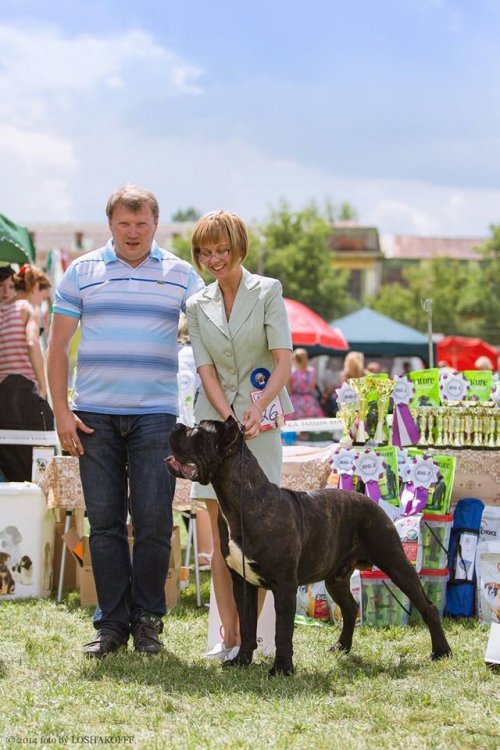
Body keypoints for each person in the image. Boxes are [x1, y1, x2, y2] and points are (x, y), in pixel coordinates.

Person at [46, 185, 204, 658]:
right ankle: (112, 624)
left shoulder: (181, 275)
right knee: (106, 524)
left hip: (157, 417)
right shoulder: (82, 272)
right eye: (123, 224)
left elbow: (211, 335)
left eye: (142, 224)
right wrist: (61, 412)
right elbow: (56, 348)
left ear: (156, 224)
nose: (133, 233)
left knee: (155, 521)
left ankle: (148, 622)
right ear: (109, 225)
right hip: (92, 415)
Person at [186, 209, 293, 660]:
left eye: (222, 249)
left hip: (261, 420)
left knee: (259, 532)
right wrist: (229, 413)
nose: (215, 259)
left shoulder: (268, 291)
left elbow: (283, 359)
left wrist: (257, 406)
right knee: (216, 533)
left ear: (239, 247)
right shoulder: (195, 305)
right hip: (213, 424)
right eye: (206, 252)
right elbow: (205, 368)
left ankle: (251, 638)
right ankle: (228, 636)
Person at [0, 264, 54, 482]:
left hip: (2, 392)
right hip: (25, 388)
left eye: (9, 286)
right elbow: (32, 343)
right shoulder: (25, 308)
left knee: (8, 453)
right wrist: (43, 385)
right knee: (37, 450)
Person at [177, 313, 213, 570]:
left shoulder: (173, 357)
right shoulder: (202, 358)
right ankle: (205, 555)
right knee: (202, 496)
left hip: (170, 433)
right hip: (199, 434)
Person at [286, 347, 324, 420]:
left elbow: (289, 390)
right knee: (310, 424)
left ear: (295, 359)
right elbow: (312, 387)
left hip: (295, 400)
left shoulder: (292, 372)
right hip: (309, 400)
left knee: (295, 425)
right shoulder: (311, 371)